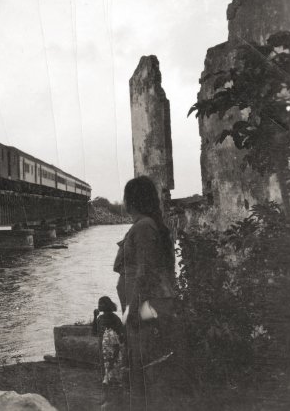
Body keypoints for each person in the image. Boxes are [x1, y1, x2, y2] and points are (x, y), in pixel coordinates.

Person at [115, 176, 179, 410]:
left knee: (144, 363)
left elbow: (145, 271)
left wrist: (132, 309)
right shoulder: (150, 224)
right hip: (151, 303)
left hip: (145, 305)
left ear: (131, 199)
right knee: (147, 362)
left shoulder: (143, 226)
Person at [93, 296, 125, 386]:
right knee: (106, 362)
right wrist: (95, 316)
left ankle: (110, 380)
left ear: (106, 305)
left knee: (111, 362)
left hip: (111, 345)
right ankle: (107, 379)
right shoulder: (100, 318)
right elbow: (95, 331)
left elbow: (120, 333)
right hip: (104, 345)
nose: (98, 305)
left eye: (101, 304)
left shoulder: (114, 318)